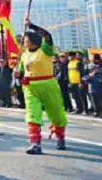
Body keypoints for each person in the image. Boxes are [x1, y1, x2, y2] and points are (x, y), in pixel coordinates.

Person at [18, 19, 67, 154]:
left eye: (26, 39)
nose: (23, 41)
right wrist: (18, 74)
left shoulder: (45, 50)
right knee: (32, 115)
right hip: (30, 87)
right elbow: (22, 70)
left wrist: (31, 26)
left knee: (56, 113)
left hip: (47, 84)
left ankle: (60, 136)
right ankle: (35, 143)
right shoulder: (24, 55)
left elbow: (47, 36)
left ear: (33, 40)